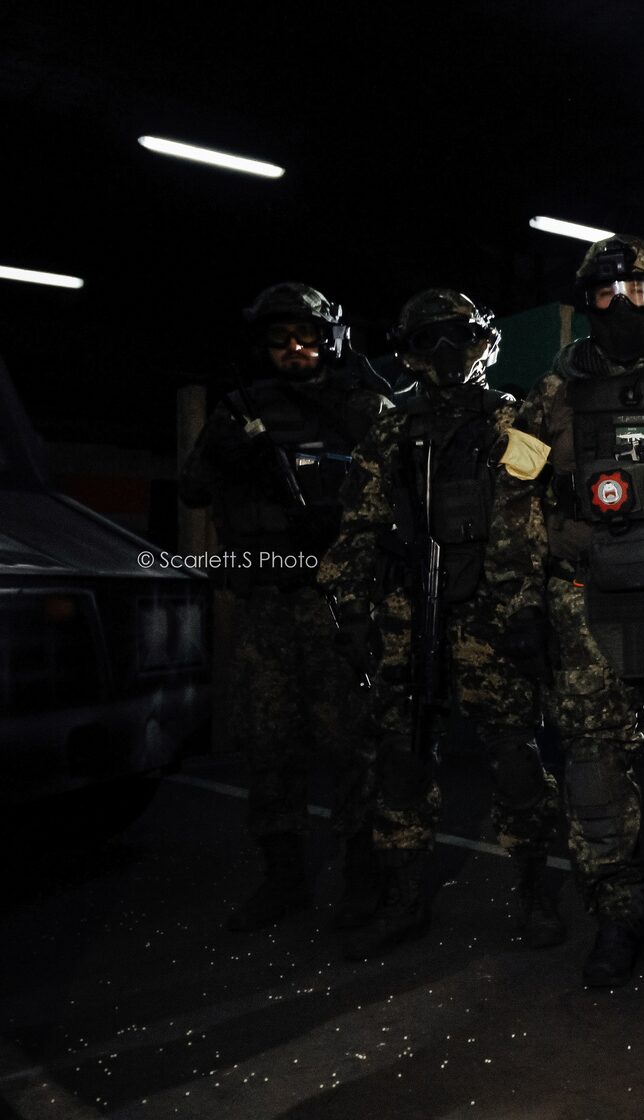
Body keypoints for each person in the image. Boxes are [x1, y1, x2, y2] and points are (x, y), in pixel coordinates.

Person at [320, 289, 560, 959]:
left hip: (492, 609)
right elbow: (358, 526)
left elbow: (533, 522)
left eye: (459, 335)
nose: (447, 352)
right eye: (429, 340)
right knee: (403, 758)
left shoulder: (515, 421)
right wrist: (352, 609)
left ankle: (535, 887)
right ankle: (404, 894)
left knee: (515, 757)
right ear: (407, 352)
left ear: (484, 342)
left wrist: (526, 608)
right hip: (408, 611)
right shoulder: (390, 432)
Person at [513, 235, 644, 987]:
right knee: (593, 767)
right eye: (606, 292)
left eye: (637, 290)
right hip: (583, 595)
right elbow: (516, 495)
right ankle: (615, 916)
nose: (622, 304)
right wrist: (521, 598)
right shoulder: (554, 389)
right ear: (587, 301)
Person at [180, 282, 391, 933]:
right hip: (267, 603)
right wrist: (227, 456)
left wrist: (343, 520)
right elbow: (191, 489)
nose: (293, 348)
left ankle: (363, 873)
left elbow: (405, 490)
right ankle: (283, 878)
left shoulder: (362, 406)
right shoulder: (241, 410)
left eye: (306, 336)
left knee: (353, 742)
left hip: (338, 601)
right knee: (268, 742)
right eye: (279, 339)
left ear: (331, 339)